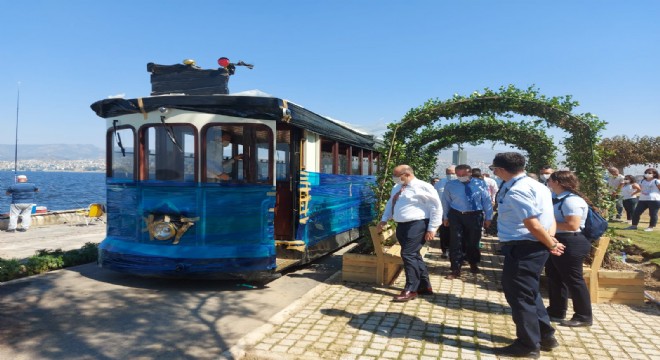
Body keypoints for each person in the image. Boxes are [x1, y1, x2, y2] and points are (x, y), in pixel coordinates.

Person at [489, 152, 565, 358]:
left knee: (519, 296)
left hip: (524, 246)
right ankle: (545, 335)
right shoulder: (538, 185)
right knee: (530, 292)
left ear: (502, 170)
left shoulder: (518, 191)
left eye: (493, 168)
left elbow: (532, 223)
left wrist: (551, 243)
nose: (493, 172)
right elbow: (549, 216)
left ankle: (528, 344)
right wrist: (550, 240)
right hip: (532, 245)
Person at [377, 164, 443, 302]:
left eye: (396, 176)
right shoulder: (397, 188)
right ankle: (425, 286)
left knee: (408, 254)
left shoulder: (423, 186)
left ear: (407, 174)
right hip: (402, 225)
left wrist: (432, 228)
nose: (394, 179)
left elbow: (436, 207)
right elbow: (391, 203)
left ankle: (411, 289)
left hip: (417, 224)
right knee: (414, 255)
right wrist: (384, 220)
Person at [545, 171, 593, 327]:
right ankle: (556, 310)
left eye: (550, 180)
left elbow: (573, 225)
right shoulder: (558, 199)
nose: (548, 182)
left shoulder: (571, 201)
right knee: (554, 276)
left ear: (557, 182)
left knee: (573, 279)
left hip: (571, 241)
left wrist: (546, 224)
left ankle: (584, 316)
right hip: (558, 239)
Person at [442, 164, 493, 279]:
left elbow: (486, 200)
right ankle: (455, 268)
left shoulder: (480, 183)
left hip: (475, 215)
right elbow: (446, 201)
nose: (461, 177)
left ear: (470, 173)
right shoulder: (450, 185)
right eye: (458, 175)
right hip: (456, 215)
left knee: (473, 241)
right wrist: (445, 217)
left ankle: (473, 263)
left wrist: (488, 217)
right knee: (455, 241)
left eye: (464, 175)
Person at [434, 165, 456, 258]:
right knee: (444, 233)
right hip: (443, 212)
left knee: (456, 233)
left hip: (457, 212)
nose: (450, 175)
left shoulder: (460, 183)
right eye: (448, 173)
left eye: (452, 173)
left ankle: (456, 251)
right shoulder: (439, 184)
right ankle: (445, 250)